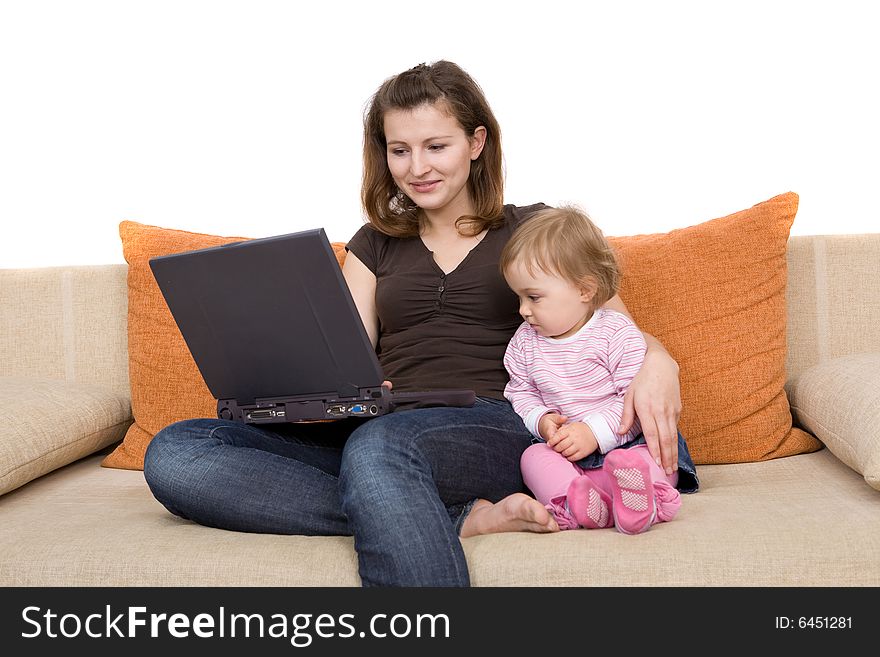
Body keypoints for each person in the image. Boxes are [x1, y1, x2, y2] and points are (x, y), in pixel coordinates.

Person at [143, 60, 687, 586]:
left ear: (476, 144)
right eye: (399, 150)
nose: (417, 168)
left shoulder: (534, 229)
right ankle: (449, 516)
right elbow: (345, 354)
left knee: (379, 449)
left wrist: (660, 363)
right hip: (379, 423)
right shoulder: (374, 244)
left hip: (492, 423)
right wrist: (319, 394)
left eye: (436, 146)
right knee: (178, 454)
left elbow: (611, 326)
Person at [501, 206, 698, 534]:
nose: (523, 310)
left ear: (584, 290)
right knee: (533, 457)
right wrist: (541, 419)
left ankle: (641, 501)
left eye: (534, 297)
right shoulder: (524, 343)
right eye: (519, 297)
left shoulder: (615, 334)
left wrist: (594, 433)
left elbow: (634, 403)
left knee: (653, 456)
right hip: (571, 456)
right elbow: (519, 391)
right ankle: (577, 502)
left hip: (627, 445)